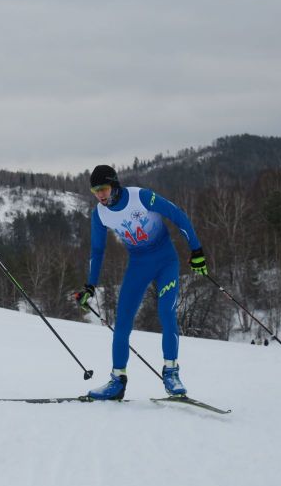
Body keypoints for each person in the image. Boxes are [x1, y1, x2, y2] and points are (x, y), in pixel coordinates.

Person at [74, 165, 206, 400]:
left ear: (114, 185)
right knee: (122, 320)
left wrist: (196, 250)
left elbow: (177, 215)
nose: (100, 195)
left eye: (103, 189)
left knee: (166, 312)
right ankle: (117, 381)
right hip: (138, 265)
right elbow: (97, 250)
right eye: (95, 191)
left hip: (166, 261)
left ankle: (171, 373)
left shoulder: (141, 197)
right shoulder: (100, 214)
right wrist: (90, 286)